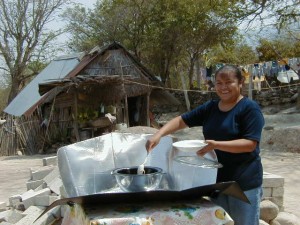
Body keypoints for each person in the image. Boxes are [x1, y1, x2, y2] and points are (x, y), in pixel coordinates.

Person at [145, 64, 265, 225]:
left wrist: (216, 145)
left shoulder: (249, 109)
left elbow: (249, 144)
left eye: (229, 82)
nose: (223, 87)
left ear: (240, 82)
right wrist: (159, 134)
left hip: (243, 182)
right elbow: (182, 120)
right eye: (219, 83)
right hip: (217, 182)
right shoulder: (210, 108)